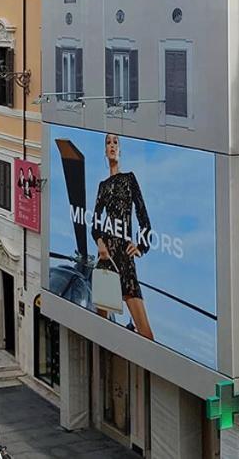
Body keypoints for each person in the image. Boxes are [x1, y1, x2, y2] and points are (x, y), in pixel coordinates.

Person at [92, 132, 154, 339]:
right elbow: (95, 222)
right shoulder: (103, 186)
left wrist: (142, 246)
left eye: (115, 142)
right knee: (100, 324)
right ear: (104, 150)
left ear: (120, 148)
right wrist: (100, 242)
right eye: (108, 142)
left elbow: (142, 214)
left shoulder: (129, 179)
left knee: (145, 333)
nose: (111, 145)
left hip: (124, 256)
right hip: (106, 256)